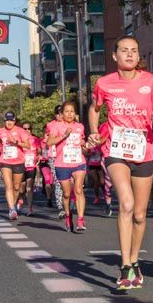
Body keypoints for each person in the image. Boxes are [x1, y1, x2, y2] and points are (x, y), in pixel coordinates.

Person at [88, 37, 153, 291]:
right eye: (124, 50)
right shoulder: (104, 83)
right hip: (116, 150)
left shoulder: (152, 82)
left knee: (139, 213)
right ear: (114, 56)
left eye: (134, 51)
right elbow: (94, 108)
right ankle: (125, 266)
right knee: (126, 204)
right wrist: (94, 130)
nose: (129, 54)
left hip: (144, 151)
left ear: (138, 56)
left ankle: (135, 261)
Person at [45, 100, 89, 233]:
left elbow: (83, 146)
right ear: (62, 113)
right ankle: (68, 216)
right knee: (66, 193)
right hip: (62, 163)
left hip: (78, 162)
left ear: (75, 113)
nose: (69, 114)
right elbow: (49, 142)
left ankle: (80, 220)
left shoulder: (80, 126)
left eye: (72, 111)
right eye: (66, 111)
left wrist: (85, 145)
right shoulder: (56, 126)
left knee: (79, 190)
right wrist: (64, 135)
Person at [0, 111, 33, 222]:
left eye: (11, 120)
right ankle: (12, 209)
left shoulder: (21, 131)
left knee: (17, 187)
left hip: (18, 161)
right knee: (9, 185)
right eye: (7, 120)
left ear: (15, 121)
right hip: (5, 161)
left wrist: (16, 142)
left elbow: (28, 145)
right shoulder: (1, 131)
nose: (9, 122)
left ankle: (14, 203)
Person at [20, 121, 40, 217]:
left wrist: (39, 156)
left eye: (29, 128)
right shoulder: (19, 139)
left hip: (31, 166)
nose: (27, 130)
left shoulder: (35, 139)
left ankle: (30, 208)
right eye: (25, 129)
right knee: (21, 188)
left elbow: (39, 150)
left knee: (29, 188)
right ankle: (20, 198)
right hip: (21, 166)